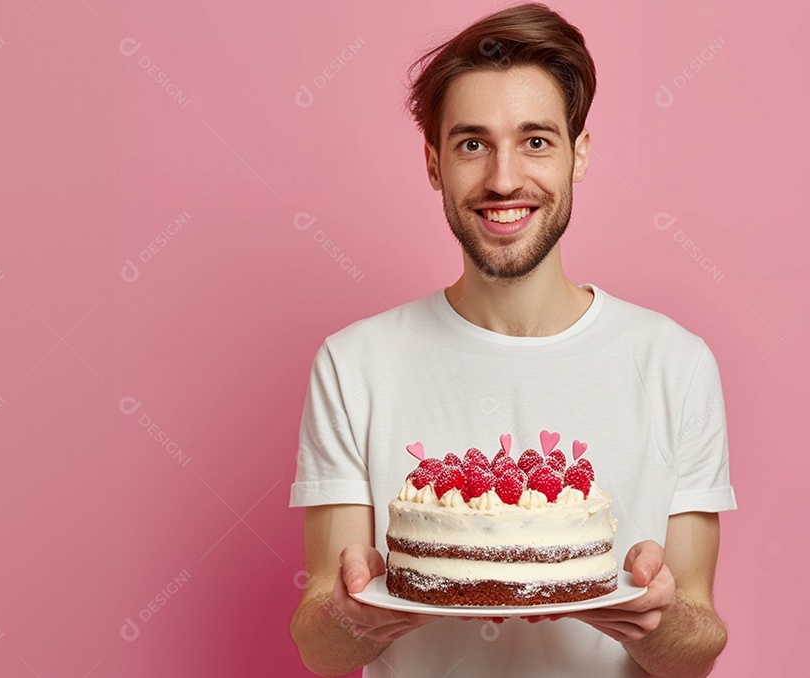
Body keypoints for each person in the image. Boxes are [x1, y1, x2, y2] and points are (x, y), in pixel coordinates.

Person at [288, 3, 737, 676]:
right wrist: (354, 620)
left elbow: (697, 648)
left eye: (535, 141)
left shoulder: (675, 363)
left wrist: (656, 622)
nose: (503, 179)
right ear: (434, 163)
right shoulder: (353, 365)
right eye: (472, 143)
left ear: (578, 154)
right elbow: (318, 648)